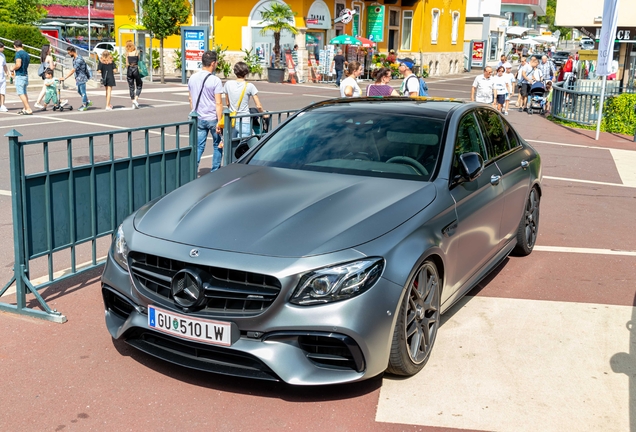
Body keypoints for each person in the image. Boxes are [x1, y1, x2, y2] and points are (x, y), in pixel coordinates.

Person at [188, 50, 224, 172]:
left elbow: (190, 98)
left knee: (198, 146)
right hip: (212, 117)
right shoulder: (215, 80)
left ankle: (192, 170)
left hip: (198, 117)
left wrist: (194, 111)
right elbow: (218, 102)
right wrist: (220, 121)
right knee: (217, 145)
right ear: (213, 63)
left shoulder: (192, 78)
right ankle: (215, 172)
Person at [224, 61, 265, 139]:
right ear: (246, 73)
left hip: (232, 120)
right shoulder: (250, 86)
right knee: (246, 147)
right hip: (244, 120)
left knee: (232, 146)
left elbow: (227, 102)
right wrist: (264, 114)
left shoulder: (228, 84)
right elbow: (258, 106)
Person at [63, 46, 92, 112]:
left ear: (73, 51)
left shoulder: (79, 60)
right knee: (79, 91)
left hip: (82, 77)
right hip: (78, 78)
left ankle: (85, 105)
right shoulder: (75, 58)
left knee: (83, 92)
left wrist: (65, 77)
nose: (69, 54)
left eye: (69, 53)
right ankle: (87, 101)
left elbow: (73, 70)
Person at [10, 40, 32, 115]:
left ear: (14, 46)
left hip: (20, 75)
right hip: (25, 74)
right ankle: (25, 108)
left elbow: (18, 64)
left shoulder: (18, 54)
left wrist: (12, 68)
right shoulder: (26, 54)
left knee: (20, 93)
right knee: (24, 92)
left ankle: (28, 108)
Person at [34, 45, 55, 109]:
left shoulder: (43, 57)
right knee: (46, 89)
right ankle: (37, 102)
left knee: (48, 89)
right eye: (50, 48)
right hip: (49, 75)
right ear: (47, 49)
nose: (51, 49)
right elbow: (52, 67)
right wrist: (55, 65)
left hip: (45, 74)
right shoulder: (49, 57)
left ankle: (57, 101)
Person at [125, 40, 142, 109]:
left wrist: (128, 69)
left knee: (131, 86)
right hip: (136, 69)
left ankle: (133, 102)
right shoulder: (136, 52)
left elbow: (126, 64)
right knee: (139, 84)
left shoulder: (127, 53)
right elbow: (139, 60)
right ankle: (136, 99)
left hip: (129, 69)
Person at [0, 42, 8, 112]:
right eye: (2, 47)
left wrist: (7, 73)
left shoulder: (2, 55)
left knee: (2, 92)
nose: (3, 49)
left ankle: (2, 105)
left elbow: (4, 65)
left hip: (2, 77)